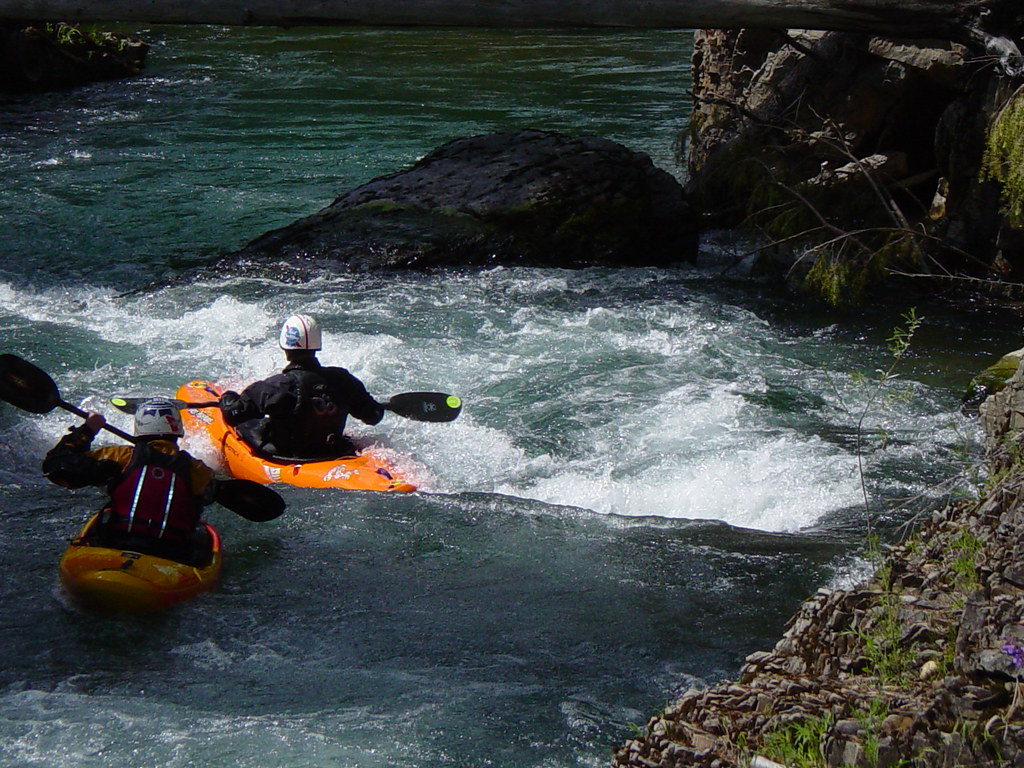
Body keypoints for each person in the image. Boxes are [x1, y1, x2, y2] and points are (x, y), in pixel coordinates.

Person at [42, 398, 217, 565]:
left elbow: (56, 467)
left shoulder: (120, 457)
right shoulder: (200, 471)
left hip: (116, 545)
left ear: (139, 428)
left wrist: (88, 430)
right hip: (173, 556)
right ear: (178, 429)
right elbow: (207, 497)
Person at [219, 313, 385, 460]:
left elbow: (233, 415)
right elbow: (374, 416)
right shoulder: (342, 379)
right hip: (333, 451)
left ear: (285, 345)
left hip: (290, 457)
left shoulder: (276, 386)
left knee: (248, 426)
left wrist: (228, 397)